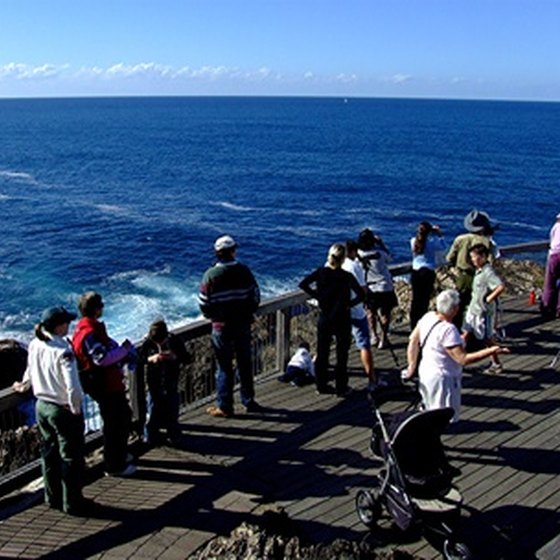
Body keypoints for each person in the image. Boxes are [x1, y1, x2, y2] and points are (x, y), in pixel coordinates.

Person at [13, 307, 89, 515]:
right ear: (58, 326)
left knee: (49, 454)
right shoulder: (63, 351)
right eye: (66, 322)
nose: (69, 325)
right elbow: (72, 385)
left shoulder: (36, 344)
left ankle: (52, 496)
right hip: (61, 409)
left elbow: (30, 369)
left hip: (41, 406)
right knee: (70, 457)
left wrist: (24, 385)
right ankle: (72, 502)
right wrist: (75, 408)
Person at [404, 289, 509, 421]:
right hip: (443, 380)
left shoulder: (428, 317)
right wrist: (491, 350)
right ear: (455, 309)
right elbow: (463, 359)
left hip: (426, 372)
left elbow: (413, 340)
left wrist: (411, 366)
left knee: (428, 412)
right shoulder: (449, 329)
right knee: (442, 417)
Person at [72, 292, 136, 477]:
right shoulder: (90, 333)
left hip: (101, 384)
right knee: (116, 423)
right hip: (105, 385)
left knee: (120, 418)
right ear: (96, 309)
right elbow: (101, 359)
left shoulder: (83, 329)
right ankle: (114, 464)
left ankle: (119, 455)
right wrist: (124, 350)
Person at [198, 235, 261, 417]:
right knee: (245, 364)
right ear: (233, 251)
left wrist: (213, 317)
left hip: (221, 327)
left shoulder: (210, 276)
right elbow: (255, 296)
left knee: (224, 367)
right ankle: (248, 400)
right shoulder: (244, 271)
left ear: (217, 253)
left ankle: (225, 406)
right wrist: (247, 313)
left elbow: (204, 303)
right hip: (242, 325)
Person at [299, 243, 364, 397]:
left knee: (322, 354)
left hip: (325, 317)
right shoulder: (346, 276)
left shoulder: (321, 273)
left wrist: (317, 295)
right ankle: (341, 387)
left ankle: (321, 385)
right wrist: (349, 304)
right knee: (342, 354)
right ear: (343, 259)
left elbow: (303, 284)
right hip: (342, 318)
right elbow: (361, 295)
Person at [139, 319, 189, 446]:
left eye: (162, 342)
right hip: (154, 383)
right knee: (152, 409)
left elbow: (188, 358)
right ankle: (150, 437)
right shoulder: (148, 343)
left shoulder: (174, 340)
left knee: (172, 409)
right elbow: (139, 358)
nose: (160, 345)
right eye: (157, 343)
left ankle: (174, 435)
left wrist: (175, 357)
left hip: (171, 380)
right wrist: (151, 358)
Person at [446, 209, 495, 328]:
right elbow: (490, 262)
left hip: (462, 277)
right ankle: (474, 332)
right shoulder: (487, 242)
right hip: (479, 276)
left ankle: (456, 329)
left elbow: (449, 258)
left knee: (459, 305)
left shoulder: (460, 239)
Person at [462, 244, 506, 373]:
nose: (472, 260)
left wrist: (489, 298)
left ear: (482, 257)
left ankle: (496, 363)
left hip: (483, 312)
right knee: (465, 333)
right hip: (472, 309)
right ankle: (458, 359)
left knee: (487, 338)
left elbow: (500, 286)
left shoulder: (488, 272)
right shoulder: (479, 270)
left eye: (474, 257)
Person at [342, 239, 376, 389]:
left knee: (337, 343)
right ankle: (371, 379)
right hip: (356, 310)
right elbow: (363, 289)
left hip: (340, 310)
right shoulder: (355, 266)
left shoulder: (335, 265)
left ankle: (319, 369)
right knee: (364, 345)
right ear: (353, 251)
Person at [357, 228, 398, 349]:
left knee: (370, 312)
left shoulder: (359, 254)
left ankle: (373, 336)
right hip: (385, 285)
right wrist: (381, 244)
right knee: (385, 313)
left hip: (369, 287)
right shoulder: (380, 252)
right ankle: (384, 338)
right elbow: (390, 258)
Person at [409, 221, 446, 330]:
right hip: (428, 272)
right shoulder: (432, 242)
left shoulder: (413, 241)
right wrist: (439, 233)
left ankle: (413, 325)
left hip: (415, 272)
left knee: (415, 300)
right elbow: (443, 246)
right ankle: (422, 323)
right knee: (424, 300)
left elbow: (419, 240)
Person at [541, 213, 560, 318]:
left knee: (549, 283)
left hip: (554, 255)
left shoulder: (556, 227)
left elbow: (552, 240)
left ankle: (546, 306)